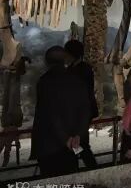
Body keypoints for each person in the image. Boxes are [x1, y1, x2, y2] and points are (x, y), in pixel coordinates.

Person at [30, 46, 90, 177]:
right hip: (72, 144)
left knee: (51, 183)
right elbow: (85, 111)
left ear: (46, 61)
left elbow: (50, 114)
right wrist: (78, 135)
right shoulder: (77, 81)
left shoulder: (44, 82)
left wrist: (65, 138)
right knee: (71, 180)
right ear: (65, 60)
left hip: (49, 145)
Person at [64, 39, 98, 169]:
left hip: (81, 113)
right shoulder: (76, 68)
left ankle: (90, 169)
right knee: (80, 144)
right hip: (78, 113)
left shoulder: (82, 69)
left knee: (81, 143)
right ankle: (87, 168)